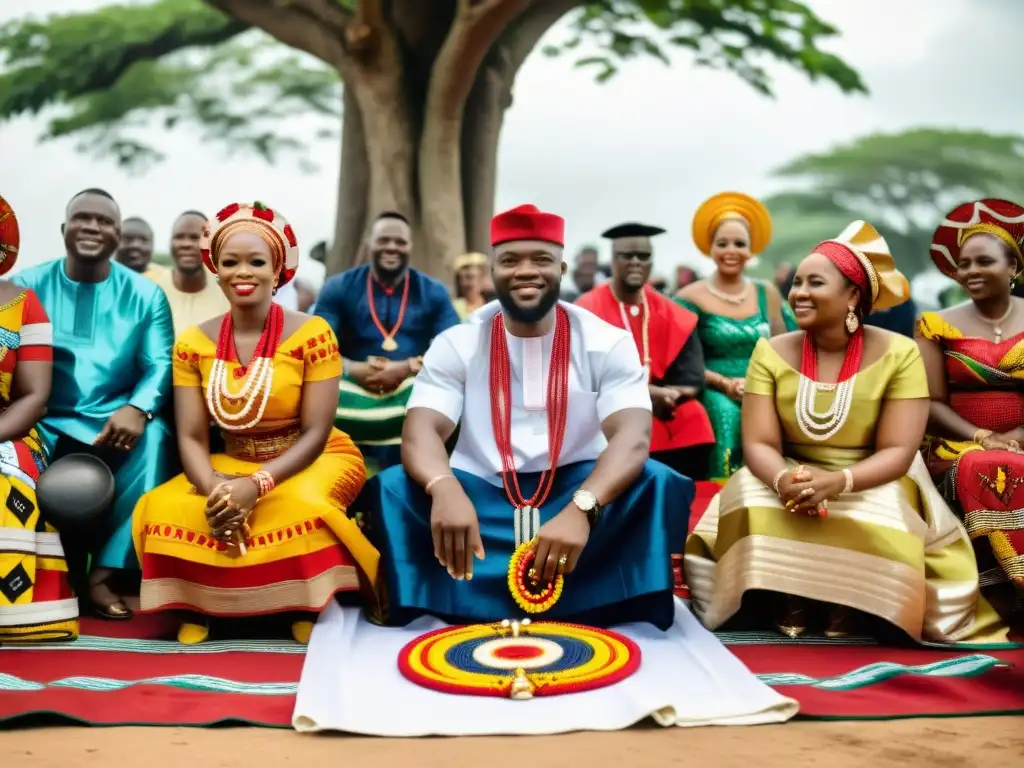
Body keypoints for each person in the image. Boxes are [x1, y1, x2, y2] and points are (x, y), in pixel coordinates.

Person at [355, 204, 693, 629]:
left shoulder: (607, 342)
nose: (526, 271)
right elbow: (422, 429)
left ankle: (600, 598)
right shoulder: (457, 342)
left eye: (541, 260)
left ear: (563, 267)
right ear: (491, 271)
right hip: (478, 499)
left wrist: (583, 507)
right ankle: (453, 598)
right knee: (392, 488)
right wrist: (443, 488)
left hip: (582, 489)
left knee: (655, 482)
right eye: (510, 261)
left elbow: (633, 437)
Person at [685, 221, 1001, 644]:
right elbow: (759, 442)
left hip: (874, 474)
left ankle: (854, 601)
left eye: (815, 282)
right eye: (796, 282)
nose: (798, 292)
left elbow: (899, 450)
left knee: (884, 510)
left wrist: (838, 482)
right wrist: (785, 481)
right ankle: (786, 592)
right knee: (745, 491)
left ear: (853, 295)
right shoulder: (771, 351)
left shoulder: (899, 352)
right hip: (790, 471)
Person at [132, 202, 377, 645]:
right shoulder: (193, 343)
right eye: (231, 262)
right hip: (231, 459)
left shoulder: (313, 333)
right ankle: (200, 604)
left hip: (313, 457)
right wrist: (216, 489)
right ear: (217, 270)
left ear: (277, 269)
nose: (243, 272)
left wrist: (255, 486)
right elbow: (191, 435)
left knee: (301, 506)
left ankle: (302, 604)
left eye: (256, 261)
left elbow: (316, 433)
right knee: (163, 507)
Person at [12, 189, 176, 620]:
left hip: (113, 417)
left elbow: (160, 362)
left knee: (156, 438)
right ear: (65, 229)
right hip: (42, 418)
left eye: (104, 221)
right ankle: (35, 576)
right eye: (82, 218)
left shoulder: (145, 295)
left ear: (118, 236)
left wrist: (138, 408)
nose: (92, 227)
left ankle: (105, 575)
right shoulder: (27, 285)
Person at [917, 198, 1024, 623]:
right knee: (982, 465)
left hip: (1021, 438)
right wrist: (981, 437)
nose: (971, 271)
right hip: (955, 443)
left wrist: (1016, 437)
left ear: (1014, 267)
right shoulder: (935, 323)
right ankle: (1003, 595)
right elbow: (931, 402)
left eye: (984, 261)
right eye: (964, 264)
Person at [315, 212, 460, 471]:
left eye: (399, 242)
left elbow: (454, 349)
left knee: (449, 397)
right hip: (349, 386)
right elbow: (317, 346)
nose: (391, 247)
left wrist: (407, 367)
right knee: (316, 392)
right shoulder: (339, 286)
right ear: (370, 243)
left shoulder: (433, 291)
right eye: (383, 240)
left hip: (412, 385)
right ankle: (340, 469)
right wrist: (351, 367)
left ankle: (422, 470)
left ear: (410, 246)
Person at [577, 222, 714, 479]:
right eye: (626, 256)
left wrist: (670, 394)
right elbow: (583, 376)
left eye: (644, 256)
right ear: (613, 260)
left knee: (694, 416)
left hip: (662, 408)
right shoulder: (586, 310)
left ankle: (693, 503)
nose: (636, 262)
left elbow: (691, 376)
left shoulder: (671, 312)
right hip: (607, 406)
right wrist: (646, 393)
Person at [676, 192, 797, 481]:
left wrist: (765, 382)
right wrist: (725, 384)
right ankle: (722, 502)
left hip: (765, 383)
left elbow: (787, 345)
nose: (731, 250)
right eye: (723, 243)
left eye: (740, 243)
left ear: (750, 249)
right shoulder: (688, 297)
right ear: (710, 247)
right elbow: (682, 361)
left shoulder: (765, 291)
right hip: (713, 387)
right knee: (728, 417)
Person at [0, 195, 77, 642]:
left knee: (7, 480)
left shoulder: (24, 306)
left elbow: (34, 397)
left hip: (10, 430)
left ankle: (16, 613)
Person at [147, 211, 230, 335]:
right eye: (179, 237)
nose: (186, 244)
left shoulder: (228, 290)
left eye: (195, 237)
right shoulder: (149, 287)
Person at [452, 252, 488, 321]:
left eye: (472, 277)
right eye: (461, 278)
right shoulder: (454, 307)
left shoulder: (492, 303)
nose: (468, 284)